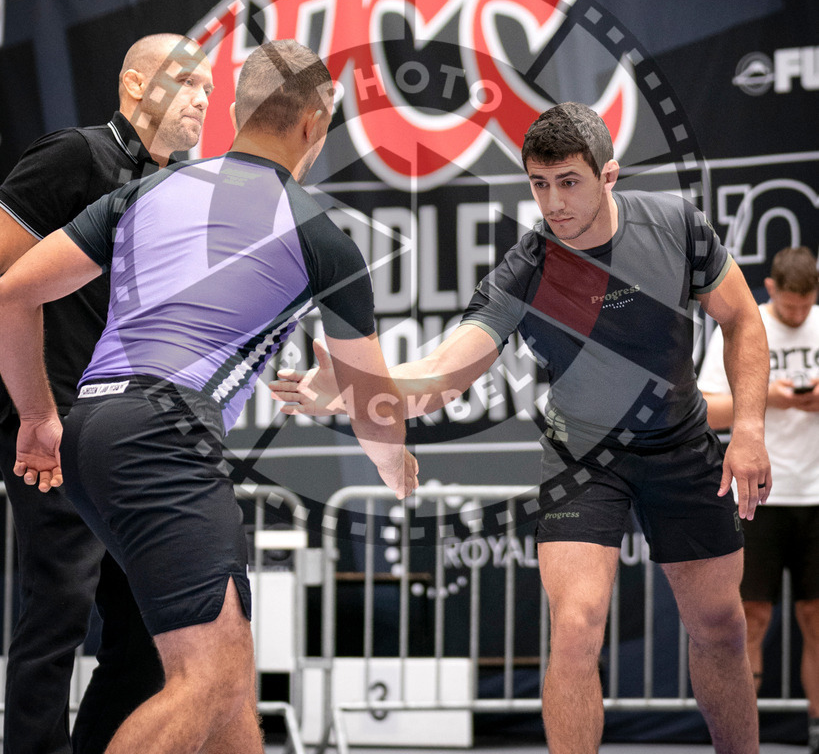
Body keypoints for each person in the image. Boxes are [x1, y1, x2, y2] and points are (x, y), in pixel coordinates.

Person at [272, 100, 771, 754]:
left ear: (609, 175)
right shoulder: (526, 270)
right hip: (582, 458)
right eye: (539, 185)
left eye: (568, 182)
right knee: (573, 627)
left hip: (679, 445)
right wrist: (360, 388)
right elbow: (445, 374)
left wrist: (752, 429)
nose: (553, 202)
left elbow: (741, 319)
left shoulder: (675, 224)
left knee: (719, 627)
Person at [0, 39, 417, 754]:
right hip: (164, 435)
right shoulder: (319, 232)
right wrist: (391, 458)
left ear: (234, 109)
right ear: (315, 125)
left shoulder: (145, 192)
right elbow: (379, 409)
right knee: (209, 683)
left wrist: (38, 415)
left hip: (91, 425)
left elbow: (12, 294)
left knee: (225, 685)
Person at [0, 32, 213, 754]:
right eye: (187, 83)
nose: (201, 101)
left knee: (145, 631)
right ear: (133, 87)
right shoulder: (73, 156)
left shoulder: (181, 190)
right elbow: (1, 283)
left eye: (211, 90)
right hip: (50, 422)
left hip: (128, 431)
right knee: (57, 608)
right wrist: (36, 411)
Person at [700, 245, 819, 752]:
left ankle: (816, 730)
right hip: (760, 496)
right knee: (750, 619)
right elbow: (705, 411)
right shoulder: (746, 324)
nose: (797, 315)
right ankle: (741, 739)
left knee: (816, 618)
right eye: (789, 307)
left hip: (817, 496)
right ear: (771, 290)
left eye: (806, 305)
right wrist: (765, 395)